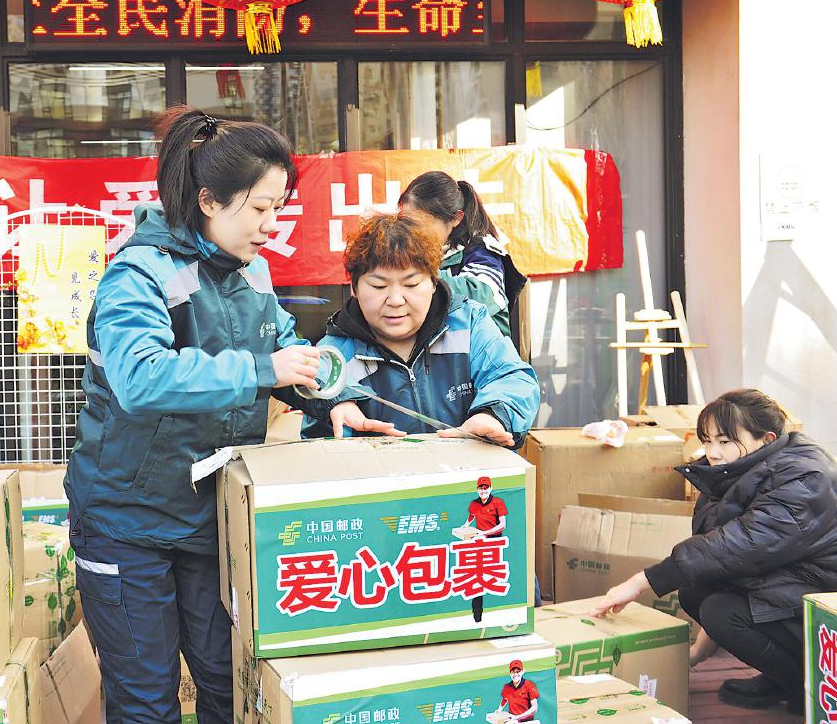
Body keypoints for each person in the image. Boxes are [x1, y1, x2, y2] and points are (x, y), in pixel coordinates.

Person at [64, 106, 399, 724]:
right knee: (146, 703)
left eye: (279, 207)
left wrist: (334, 398)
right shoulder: (136, 276)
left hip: (209, 516)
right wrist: (263, 370)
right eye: (261, 208)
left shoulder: (253, 272)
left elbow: (283, 349)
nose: (272, 225)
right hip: (124, 521)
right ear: (209, 201)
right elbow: (140, 377)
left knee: (230, 686)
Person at [590, 389, 837, 715]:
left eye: (724, 441)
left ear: (766, 438)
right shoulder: (743, 469)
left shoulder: (806, 479)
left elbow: (737, 545)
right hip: (793, 584)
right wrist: (699, 651)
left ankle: (810, 689)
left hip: (826, 599)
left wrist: (641, 582)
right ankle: (784, 675)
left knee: (723, 612)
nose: (713, 453)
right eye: (707, 440)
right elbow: (724, 559)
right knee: (696, 592)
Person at [302, 211, 540, 447]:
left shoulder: (468, 323)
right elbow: (317, 441)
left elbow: (510, 377)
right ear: (354, 289)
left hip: (470, 468)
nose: (396, 300)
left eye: (411, 283)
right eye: (378, 286)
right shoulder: (333, 356)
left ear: (434, 283)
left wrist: (491, 415)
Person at [398, 171, 527, 337]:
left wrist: (416, 276)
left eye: (420, 225)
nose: (411, 232)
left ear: (455, 219)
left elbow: (480, 295)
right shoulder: (410, 251)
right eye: (406, 223)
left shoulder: (482, 251)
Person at [463, 475, 508, 622]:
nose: (483, 490)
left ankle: (505, 611)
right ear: (477, 490)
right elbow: (471, 515)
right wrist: (466, 525)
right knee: (477, 577)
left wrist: (485, 533)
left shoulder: (497, 503)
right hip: (480, 542)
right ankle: (477, 614)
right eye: (481, 488)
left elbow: (502, 525)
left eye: (486, 487)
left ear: (491, 488)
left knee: (492, 576)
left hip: (494, 543)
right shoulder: (474, 504)